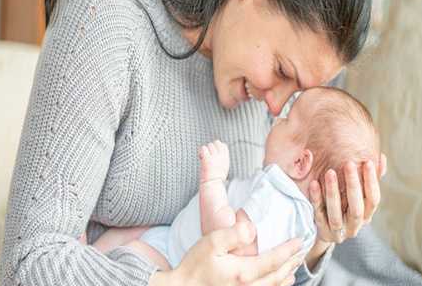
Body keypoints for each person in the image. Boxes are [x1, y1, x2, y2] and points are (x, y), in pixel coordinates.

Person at [0, 0, 386, 286]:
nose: (275, 106)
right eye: (282, 70)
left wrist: (317, 233)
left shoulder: (263, 83)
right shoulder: (106, 15)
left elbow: (254, 274)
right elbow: (24, 271)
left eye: (297, 92)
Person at [90, 86, 381, 276]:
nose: (276, 119)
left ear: (300, 163)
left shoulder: (277, 199)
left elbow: (226, 242)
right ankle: (86, 256)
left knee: (132, 254)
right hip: (175, 240)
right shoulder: (296, 216)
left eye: (287, 120)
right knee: (130, 237)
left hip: (178, 266)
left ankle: (85, 269)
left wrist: (213, 181)